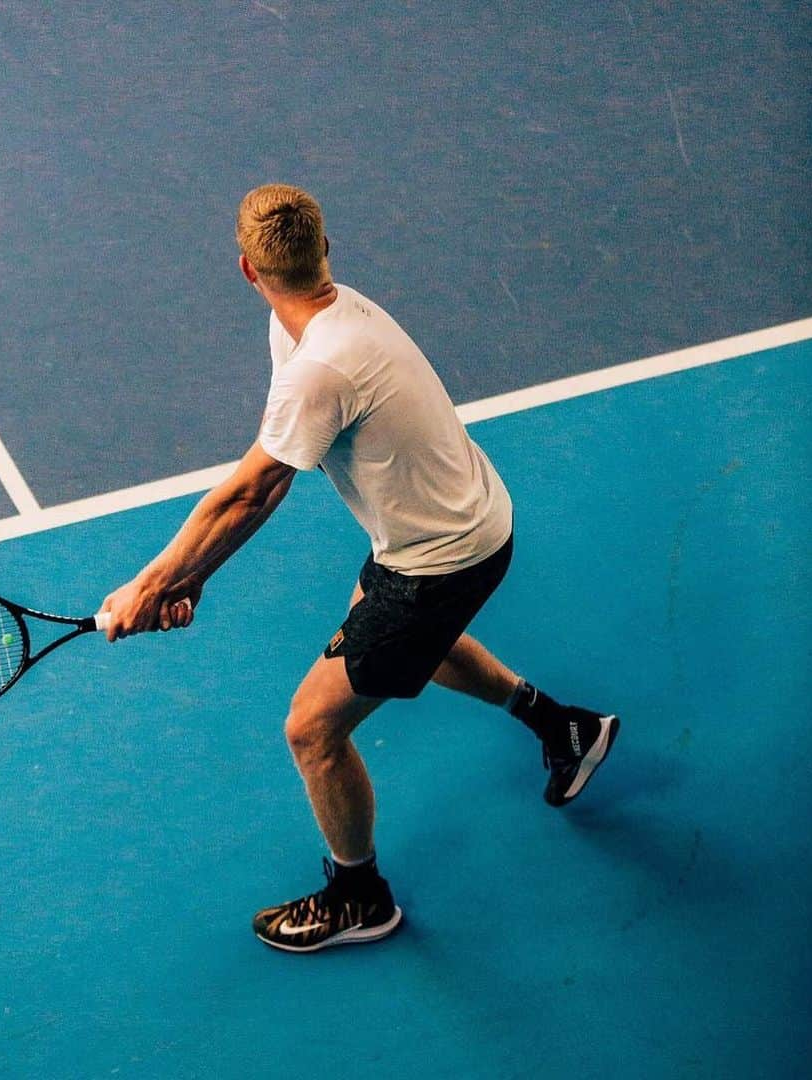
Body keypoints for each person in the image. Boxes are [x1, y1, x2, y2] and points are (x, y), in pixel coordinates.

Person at [100, 184, 619, 954]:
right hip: (459, 526)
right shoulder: (322, 322)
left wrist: (152, 582)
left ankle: (359, 895)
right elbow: (265, 475)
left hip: (435, 562)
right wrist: (191, 576)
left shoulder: (322, 367)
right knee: (420, 644)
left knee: (312, 730)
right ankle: (563, 726)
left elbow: (251, 491)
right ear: (324, 251)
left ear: (246, 268)